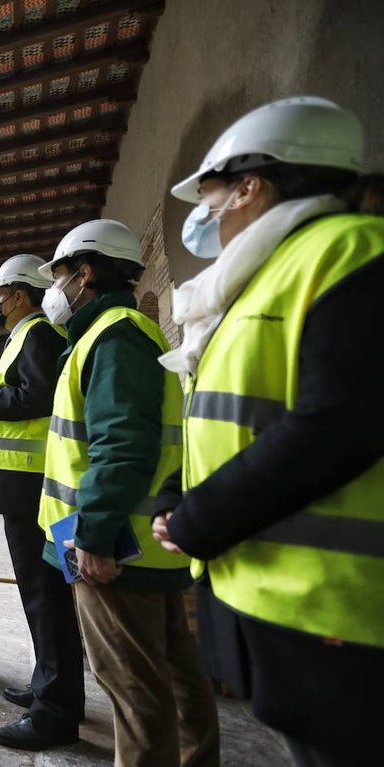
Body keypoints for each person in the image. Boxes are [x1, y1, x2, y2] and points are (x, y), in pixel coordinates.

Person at [152, 96, 384, 766]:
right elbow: (239, 415)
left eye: (209, 195)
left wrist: (202, 515)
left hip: (340, 607)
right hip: (273, 588)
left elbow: (339, 422)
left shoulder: (350, 251)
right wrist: (181, 492)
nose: (204, 215)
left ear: (250, 186)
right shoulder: (259, 281)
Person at [37, 220, 220, 766]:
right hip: (127, 538)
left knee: (132, 688)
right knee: (174, 676)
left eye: (60, 275)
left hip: (111, 544)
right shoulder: (120, 333)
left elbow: (121, 446)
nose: (56, 289)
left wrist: (95, 534)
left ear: (86, 273)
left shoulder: (114, 336)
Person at [0, 255, 85, 750]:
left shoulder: (37, 335)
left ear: (17, 295)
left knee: (46, 597)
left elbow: (35, 397)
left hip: (30, 483)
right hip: (22, 484)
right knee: (41, 596)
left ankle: (55, 712)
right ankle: (47, 685)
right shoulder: (25, 336)